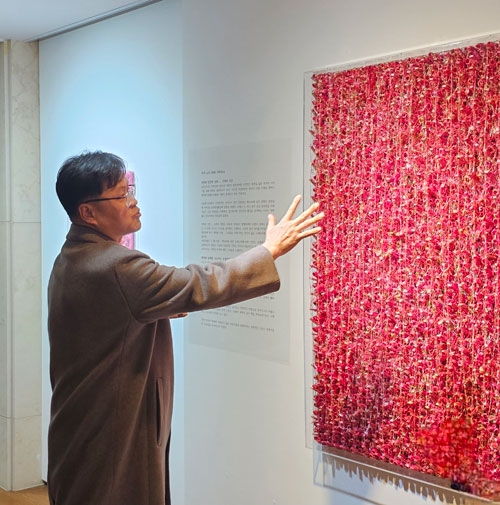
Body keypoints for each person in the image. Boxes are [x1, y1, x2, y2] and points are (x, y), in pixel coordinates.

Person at [47, 151, 323, 505]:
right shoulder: (115, 266)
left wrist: (161, 306)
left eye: (130, 191)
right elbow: (197, 284)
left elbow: (114, 313)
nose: (134, 202)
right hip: (110, 427)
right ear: (88, 212)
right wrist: (269, 251)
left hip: (84, 421)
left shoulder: (73, 255)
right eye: (121, 195)